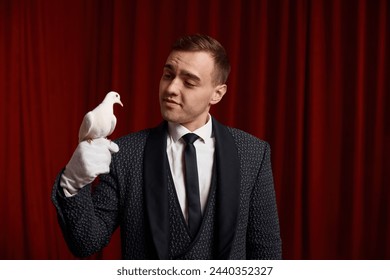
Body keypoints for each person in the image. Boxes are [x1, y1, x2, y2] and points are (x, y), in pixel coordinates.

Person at [52, 34, 282, 259]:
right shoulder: (124, 154)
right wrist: (74, 183)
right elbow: (86, 242)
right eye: (167, 75)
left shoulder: (253, 153)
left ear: (217, 93)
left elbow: (266, 250)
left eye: (189, 82)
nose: (171, 88)